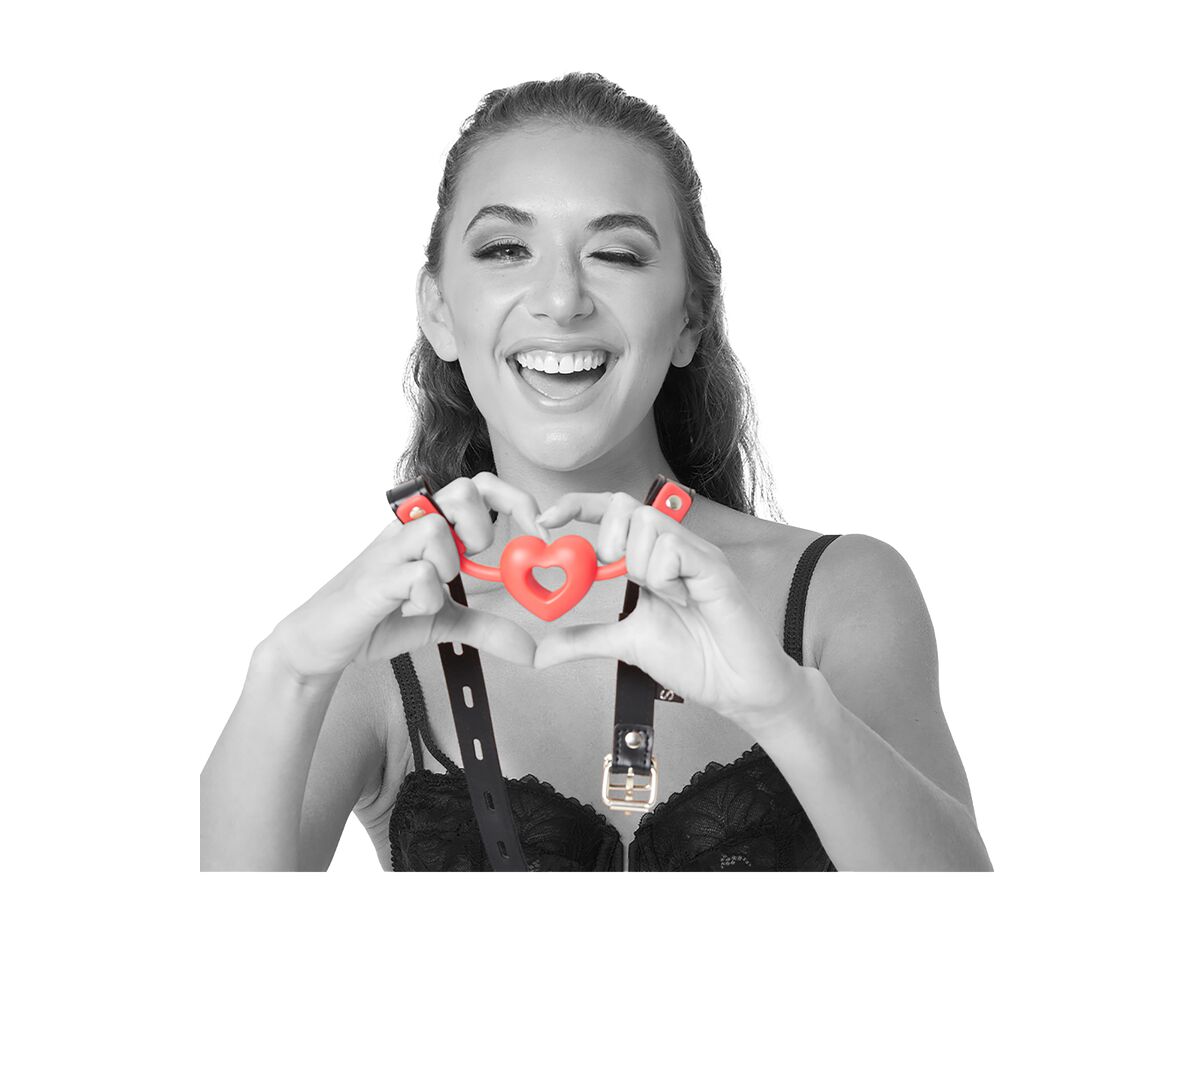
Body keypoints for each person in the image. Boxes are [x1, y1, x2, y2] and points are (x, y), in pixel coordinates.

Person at [201, 71, 992, 872]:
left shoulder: (841, 593)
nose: (561, 299)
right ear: (438, 310)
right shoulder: (379, 639)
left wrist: (783, 707)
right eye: (506, 250)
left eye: (615, 254)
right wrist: (285, 670)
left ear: (689, 318)